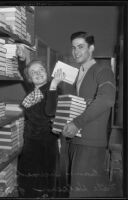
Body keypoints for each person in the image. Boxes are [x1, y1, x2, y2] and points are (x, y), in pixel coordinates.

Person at [45, 31, 117, 197]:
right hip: (74, 140)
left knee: (81, 193)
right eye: (73, 47)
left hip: (90, 143)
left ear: (91, 48)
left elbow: (106, 100)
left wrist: (77, 123)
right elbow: (75, 106)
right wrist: (60, 120)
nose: (76, 51)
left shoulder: (103, 70)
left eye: (81, 47)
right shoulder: (77, 74)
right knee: (74, 189)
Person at [16, 45, 65, 198]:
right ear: (30, 78)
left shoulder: (54, 89)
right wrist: (22, 59)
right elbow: (24, 72)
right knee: (28, 181)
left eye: (41, 70)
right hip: (31, 142)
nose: (37, 74)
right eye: (33, 72)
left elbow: (50, 111)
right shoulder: (32, 89)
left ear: (47, 72)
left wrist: (54, 85)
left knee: (44, 182)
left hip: (47, 143)